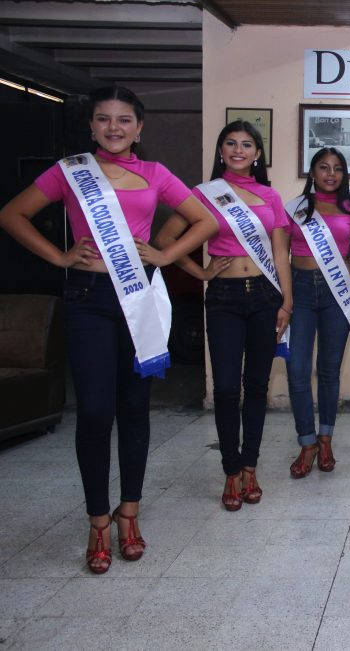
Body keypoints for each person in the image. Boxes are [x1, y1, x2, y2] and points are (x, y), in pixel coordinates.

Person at [0, 85, 217, 573]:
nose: (113, 128)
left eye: (124, 120)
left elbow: (203, 221)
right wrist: (59, 256)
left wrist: (164, 255)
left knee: (135, 409)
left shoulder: (155, 174)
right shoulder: (70, 171)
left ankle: (129, 514)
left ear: (139, 128)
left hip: (138, 298)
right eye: (104, 119)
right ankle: (98, 520)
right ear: (91, 125)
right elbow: (12, 215)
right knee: (96, 412)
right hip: (88, 299)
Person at [156, 121, 292, 512]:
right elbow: (164, 241)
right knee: (227, 389)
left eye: (246, 144)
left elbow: (279, 253)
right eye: (230, 143)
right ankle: (231, 470)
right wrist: (200, 273)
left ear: (258, 154)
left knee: (257, 386)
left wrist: (287, 302)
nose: (238, 150)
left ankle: (250, 467)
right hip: (224, 299)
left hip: (265, 296)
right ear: (221, 150)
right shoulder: (204, 194)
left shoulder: (270, 196)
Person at [286, 148, 350, 476]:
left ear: (344, 175)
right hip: (301, 290)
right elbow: (280, 251)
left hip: (337, 292)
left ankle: (325, 439)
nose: (330, 174)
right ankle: (307, 443)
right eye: (324, 167)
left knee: (329, 371)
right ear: (312, 172)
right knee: (297, 370)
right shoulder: (296, 208)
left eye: (337, 168)